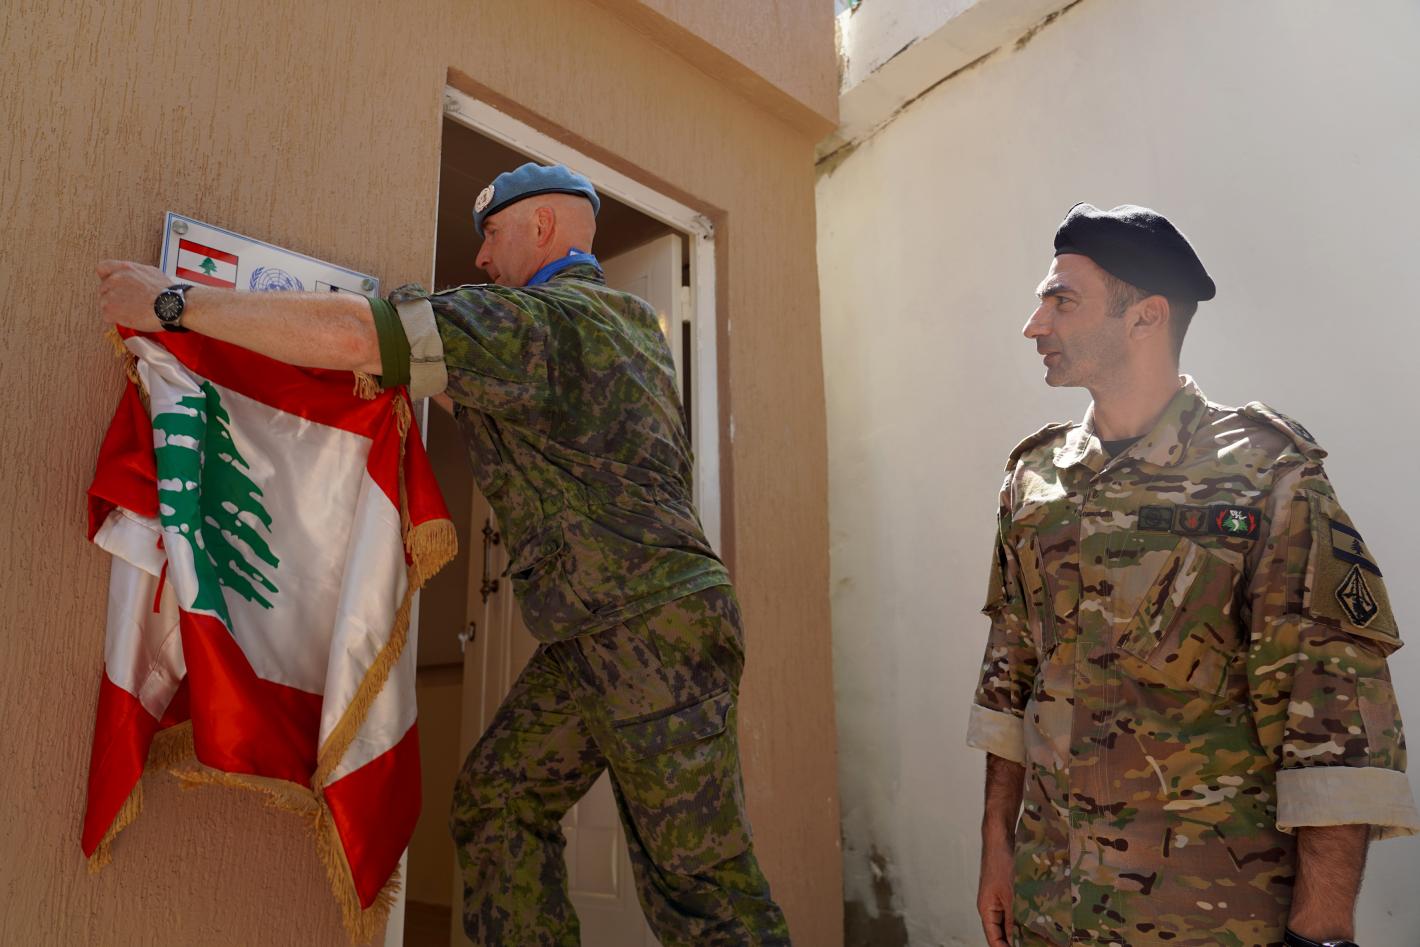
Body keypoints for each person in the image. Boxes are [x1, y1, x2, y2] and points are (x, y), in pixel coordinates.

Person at [96, 162, 789, 946]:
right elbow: (459, 381)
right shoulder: (620, 325)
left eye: (492, 234)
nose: (483, 258)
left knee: (703, 889)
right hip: (604, 632)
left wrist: (173, 302)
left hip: (647, 629)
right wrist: (379, 359)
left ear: (542, 226)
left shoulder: (541, 322)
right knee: (498, 804)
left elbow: (364, 334)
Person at [968, 203, 1418, 947]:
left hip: (1210, 921)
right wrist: (997, 846)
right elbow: (1010, 677)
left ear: (1145, 316)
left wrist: (1323, 934)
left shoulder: (1265, 475)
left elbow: (1335, 721)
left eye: (1062, 301)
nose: (1034, 325)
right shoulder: (1035, 479)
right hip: (1052, 904)